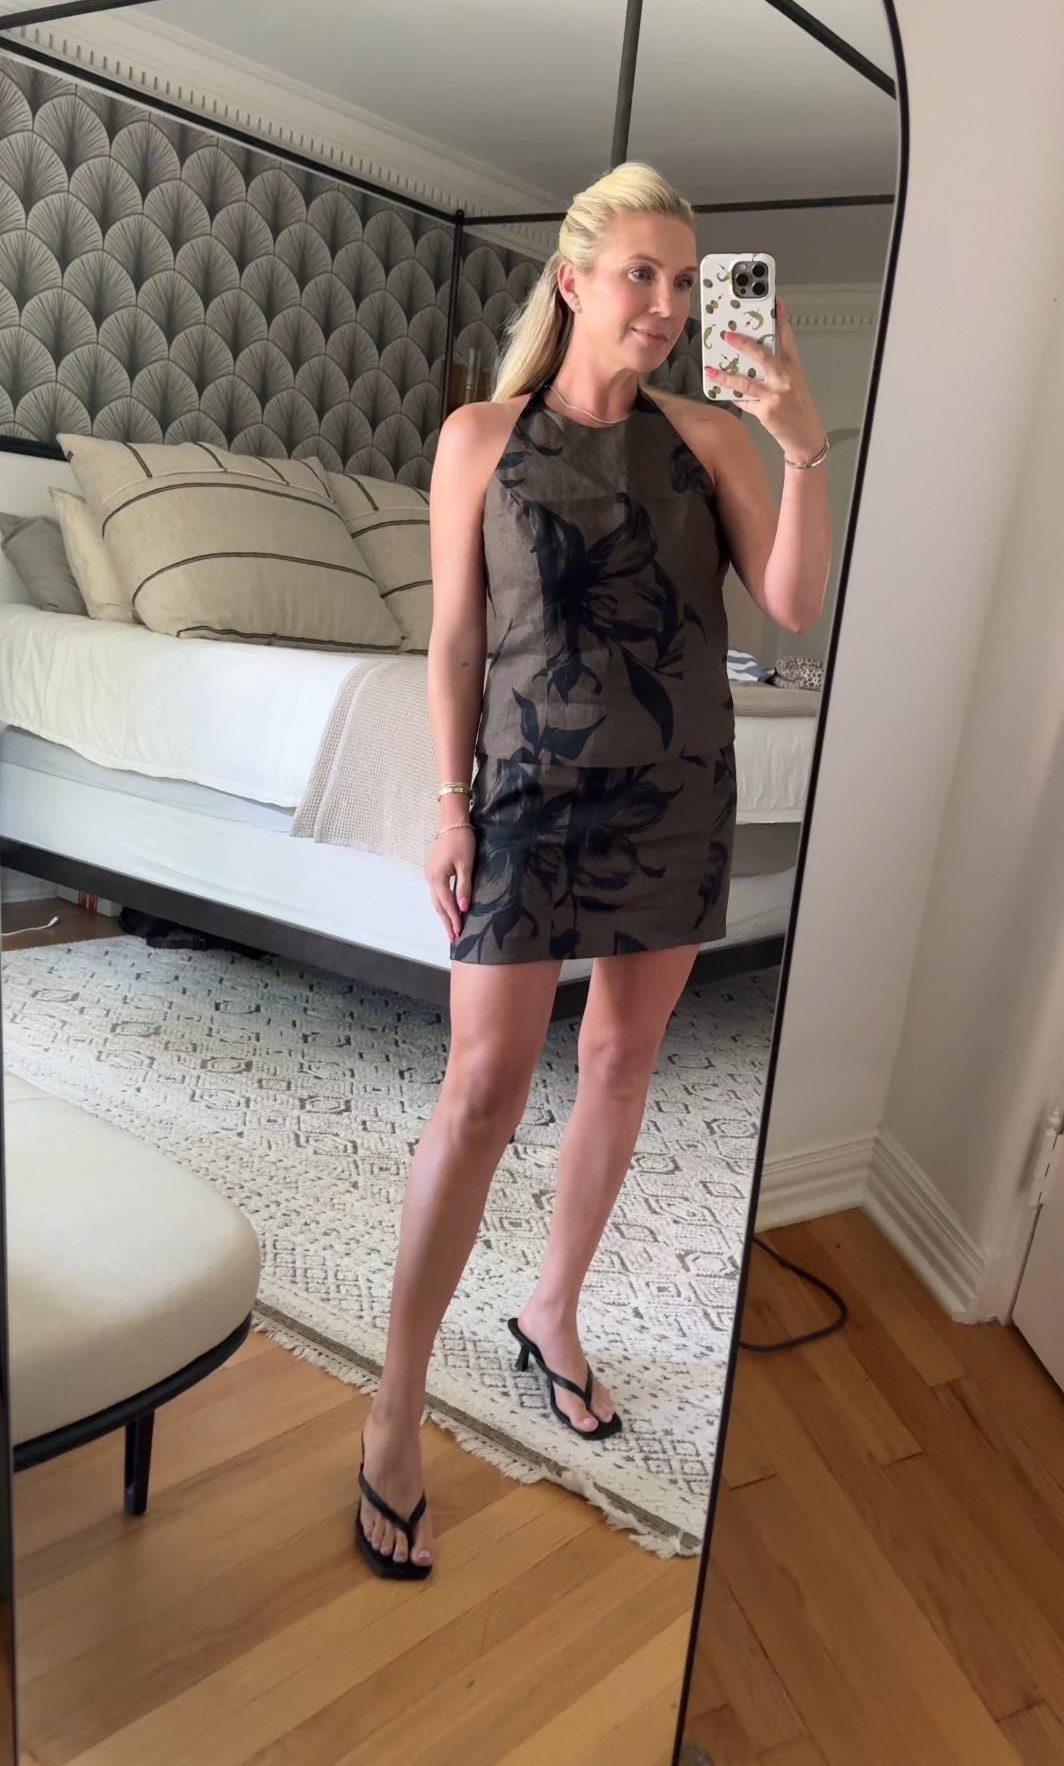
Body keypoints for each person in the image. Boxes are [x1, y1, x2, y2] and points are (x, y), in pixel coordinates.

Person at [355, 161, 832, 1579]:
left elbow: (792, 604)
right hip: (521, 799)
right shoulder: (478, 439)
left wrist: (803, 449)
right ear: (572, 281)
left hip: (675, 799)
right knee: (482, 1090)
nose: (670, 305)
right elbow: (454, 641)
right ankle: (393, 1401)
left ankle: (550, 1313)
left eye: (686, 282)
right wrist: (450, 809)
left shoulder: (712, 439)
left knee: (623, 1061)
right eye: (643, 275)